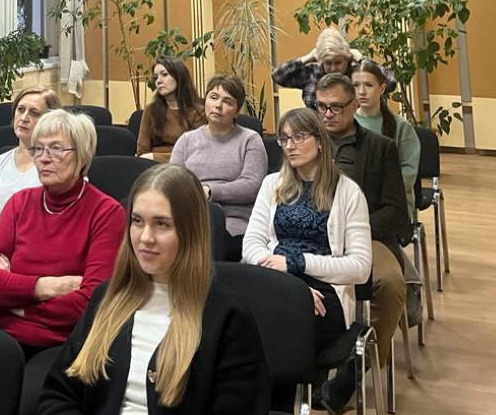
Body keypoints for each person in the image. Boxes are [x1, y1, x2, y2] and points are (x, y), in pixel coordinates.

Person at [36, 164, 270, 415]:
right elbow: (59, 396)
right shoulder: (106, 300)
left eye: (161, 224)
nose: (145, 237)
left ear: (190, 232)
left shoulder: (227, 317)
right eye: (137, 221)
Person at [0, 109, 126, 353]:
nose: (44, 158)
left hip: (62, 345)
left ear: (82, 156)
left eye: (56, 148)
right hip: (2, 335)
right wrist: (45, 287)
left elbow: (89, 303)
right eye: (38, 149)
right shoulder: (19, 203)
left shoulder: (106, 213)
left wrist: (14, 301)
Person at [243, 108, 371, 385]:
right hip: (275, 279)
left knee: (287, 322)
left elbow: (360, 267)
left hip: (325, 288)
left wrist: (297, 265)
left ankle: (291, 400)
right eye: (284, 138)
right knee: (243, 320)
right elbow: (251, 244)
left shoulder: (348, 192)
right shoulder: (272, 184)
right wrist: (290, 286)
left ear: (320, 141)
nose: (290, 145)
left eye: (298, 137)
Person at [315, 73, 408, 414]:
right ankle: (296, 371)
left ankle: (354, 372)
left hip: (365, 236)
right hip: (313, 235)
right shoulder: (305, 141)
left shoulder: (381, 147)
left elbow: (397, 212)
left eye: (336, 107)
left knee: (391, 284)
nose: (328, 114)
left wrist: (352, 229)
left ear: (354, 105)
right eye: (321, 107)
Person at [170, 74, 267, 261]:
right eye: (213, 97)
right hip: (191, 217)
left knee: (207, 233)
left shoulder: (250, 140)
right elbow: (173, 182)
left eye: (227, 101)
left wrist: (211, 190)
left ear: (237, 111)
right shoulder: (186, 140)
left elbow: (252, 185)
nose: (218, 105)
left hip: (233, 224)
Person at [0, 86, 62, 236]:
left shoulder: (62, 166)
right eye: (20, 110)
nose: (24, 118)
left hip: (38, 243)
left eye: (34, 113)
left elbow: (59, 218)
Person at [351, 61, 420, 215]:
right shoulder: (345, 124)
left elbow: (408, 172)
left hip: (390, 204)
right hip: (352, 202)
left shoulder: (400, 126)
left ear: (381, 89)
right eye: (355, 85)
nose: (361, 92)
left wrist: (374, 191)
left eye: (369, 85)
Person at [272, 27, 396, 109]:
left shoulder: (357, 74)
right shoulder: (312, 73)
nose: (333, 68)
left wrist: (361, 59)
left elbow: (390, 82)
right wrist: (307, 58)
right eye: (328, 63)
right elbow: (278, 76)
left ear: (346, 59)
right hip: (317, 132)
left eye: (338, 63)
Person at [135, 57, 206, 161]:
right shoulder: (151, 110)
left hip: (183, 167)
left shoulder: (198, 112)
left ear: (179, 77)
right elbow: (142, 153)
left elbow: (196, 153)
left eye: (164, 74)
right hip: (151, 166)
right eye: (156, 77)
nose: (159, 81)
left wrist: (156, 156)